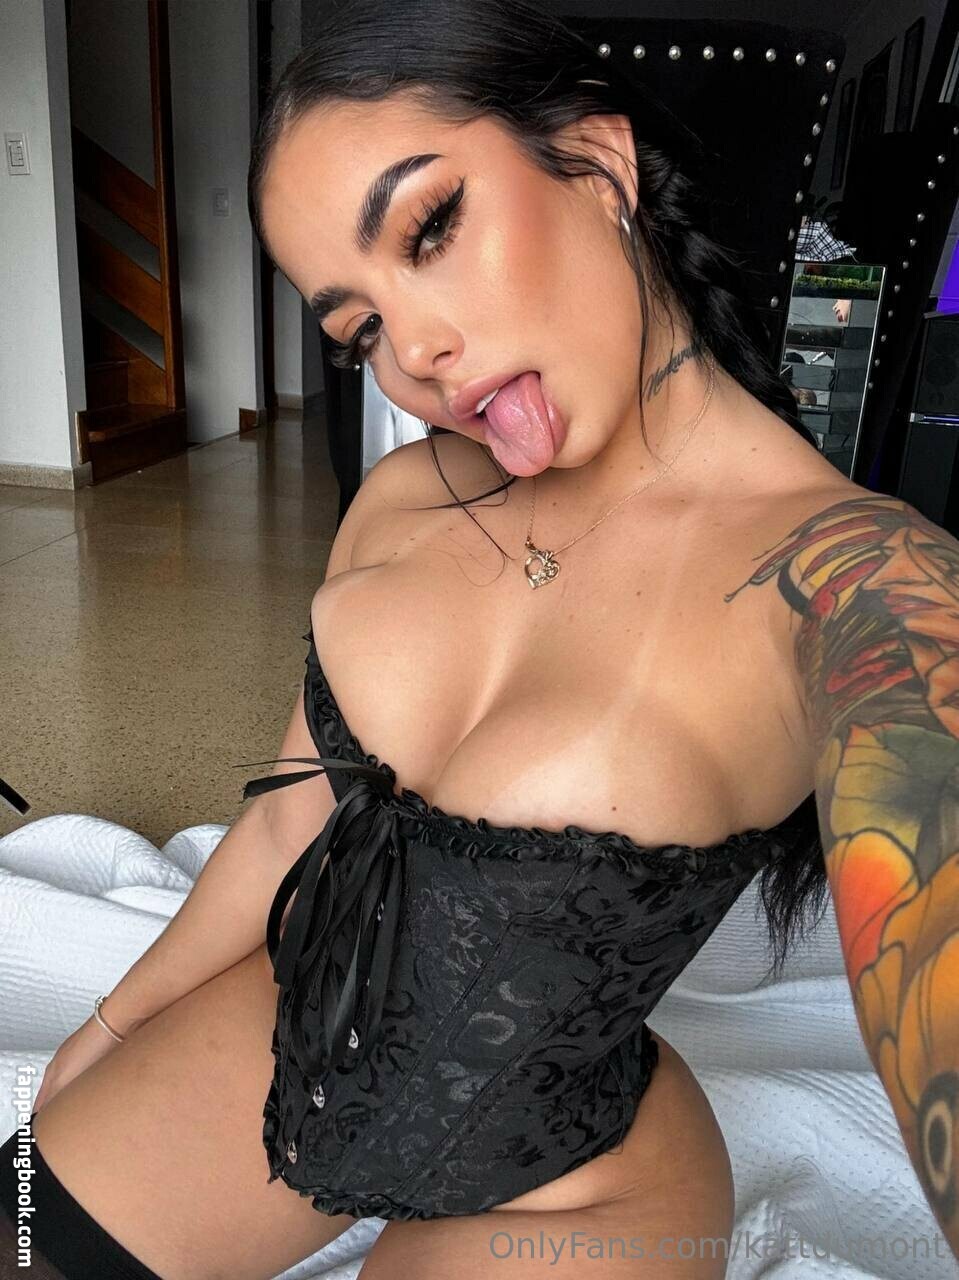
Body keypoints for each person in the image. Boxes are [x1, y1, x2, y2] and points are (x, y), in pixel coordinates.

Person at [4, 1, 958, 1276]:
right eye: (357, 328)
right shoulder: (406, 498)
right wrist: (111, 1027)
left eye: (430, 229)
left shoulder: (857, 580)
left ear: (598, 163)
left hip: (571, 1174)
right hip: (294, 1027)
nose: (415, 351)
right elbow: (289, 822)